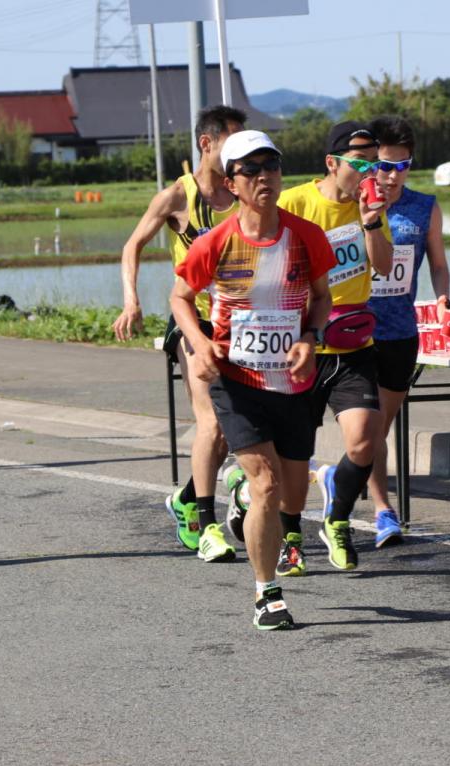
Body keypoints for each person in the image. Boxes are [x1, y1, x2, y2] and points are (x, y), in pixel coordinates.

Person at [170, 130, 333, 629]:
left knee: (291, 491)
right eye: (251, 169)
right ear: (231, 183)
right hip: (236, 378)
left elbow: (323, 297)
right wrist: (200, 345)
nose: (265, 176)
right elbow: (180, 297)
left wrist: (310, 335)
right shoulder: (214, 242)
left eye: (272, 166)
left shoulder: (306, 236)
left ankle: (260, 517)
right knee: (264, 484)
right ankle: (268, 595)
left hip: (294, 380)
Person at [113, 104, 246, 562]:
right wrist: (132, 299)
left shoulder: (245, 190)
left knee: (230, 430)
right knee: (210, 421)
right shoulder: (177, 196)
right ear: (206, 143)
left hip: (242, 322)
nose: (239, 153)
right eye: (231, 141)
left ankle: (186, 497)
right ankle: (206, 523)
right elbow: (132, 245)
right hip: (192, 318)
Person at [278, 121, 393, 573]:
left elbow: (383, 267)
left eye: (375, 163)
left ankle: (338, 518)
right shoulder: (295, 203)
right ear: (332, 163)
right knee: (294, 455)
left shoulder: (374, 204)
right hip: (302, 347)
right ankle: (290, 535)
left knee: (365, 440)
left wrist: (372, 221)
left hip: (354, 345)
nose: (370, 172)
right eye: (360, 162)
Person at [364, 115, 450, 546]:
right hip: (355, 333)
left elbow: (437, 263)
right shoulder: (355, 207)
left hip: (401, 331)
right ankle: (384, 510)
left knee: (378, 429)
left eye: (401, 166)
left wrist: (442, 300)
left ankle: (339, 484)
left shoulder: (424, 207)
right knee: (368, 427)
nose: (391, 175)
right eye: (383, 165)